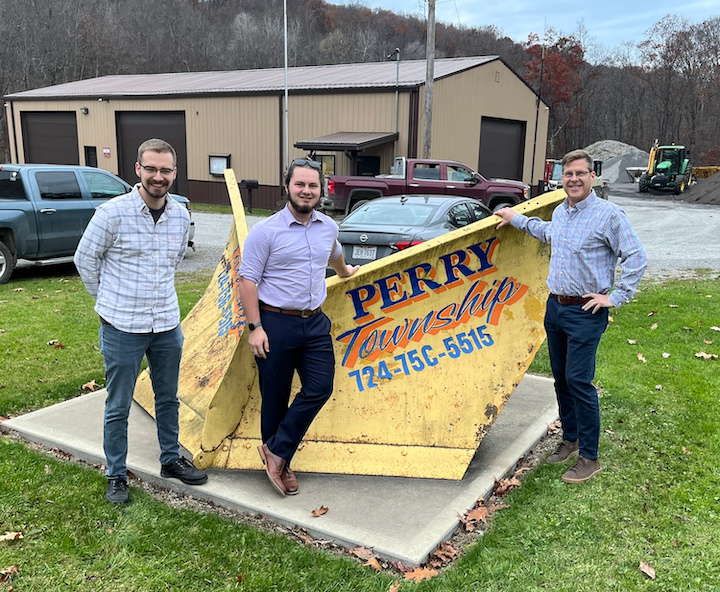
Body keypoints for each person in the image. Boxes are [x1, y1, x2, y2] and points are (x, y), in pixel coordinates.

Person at [495, 149, 647, 483]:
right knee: (561, 378)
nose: (574, 179)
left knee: (579, 380)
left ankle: (590, 458)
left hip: (585, 312)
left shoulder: (609, 215)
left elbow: (636, 257)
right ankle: (571, 439)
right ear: (561, 179)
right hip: (556, 308)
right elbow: (545, 232)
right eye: (568, 174)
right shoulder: (562, 214)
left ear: (593, 177)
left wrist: (615, 297)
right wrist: (514, 218)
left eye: (580, 173)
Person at [75, 138, 207, 505]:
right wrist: (106, 301)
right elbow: (85, 259)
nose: (158, 176)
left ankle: (170, 460)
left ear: (174, 173)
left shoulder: (180, 215)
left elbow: (175, 260)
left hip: (166, 323)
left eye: (165, 170)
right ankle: (116, 473)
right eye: (151, 168)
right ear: (138, 169)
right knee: (118, 405)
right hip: (121, 326)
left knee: (168, 398)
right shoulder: (112, 213)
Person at [237, 158, 359, 496]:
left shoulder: (328, 227)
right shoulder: (267, 231)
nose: (306, 191)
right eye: (300, 184)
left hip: (315, 322)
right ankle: (281, 463)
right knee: (274, 397)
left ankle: (275, 451)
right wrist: (255, 327)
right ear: (287, 187)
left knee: (320, 387)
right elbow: (247, 281)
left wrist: (345, 271)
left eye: (313, 185)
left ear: (321, 190)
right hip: (275, 322)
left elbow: (333, 254)